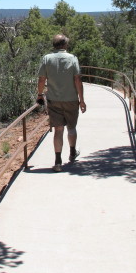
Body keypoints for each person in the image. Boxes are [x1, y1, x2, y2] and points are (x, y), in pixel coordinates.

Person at [37, 33, 86, 172]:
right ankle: (72, 153)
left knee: (58, 130)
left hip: (54, 100)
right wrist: (81, 101)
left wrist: (40, 95)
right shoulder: (72, 58)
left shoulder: (47, 58)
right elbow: (78, 80)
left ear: (54, 45)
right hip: (71, 99)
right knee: (71, 128)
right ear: (65, 44)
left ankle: (58, 161)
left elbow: (41, 79)